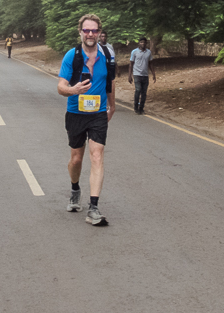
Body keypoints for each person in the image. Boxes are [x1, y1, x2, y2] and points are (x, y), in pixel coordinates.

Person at [58, 13, 115, 226]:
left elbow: (110, 82)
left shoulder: (107, 55)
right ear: (80, 32)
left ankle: (93, 208)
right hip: (75, 112)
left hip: (98, 113)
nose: (90, 34)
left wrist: (113, 106)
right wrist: (72, 90)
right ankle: (75, 189)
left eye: (94, 30)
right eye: (86, 30)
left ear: (99, 32)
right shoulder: (71, 56)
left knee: (97, 155)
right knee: (76, 160)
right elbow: (60, 87)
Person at [129, 37, 156, 114]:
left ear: (146, 43)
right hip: (137, 74)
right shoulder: (134, 52)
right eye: (141, 42)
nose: (143, 44)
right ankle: (135, 107)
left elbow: (151, 63)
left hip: (145, 75)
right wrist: (129, 75)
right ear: (139, 43)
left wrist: (153, 74)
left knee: (144, 92)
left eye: (144, 42)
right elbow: (131, 64)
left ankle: (141, 108)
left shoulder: (148, 52)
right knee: (138, 90)